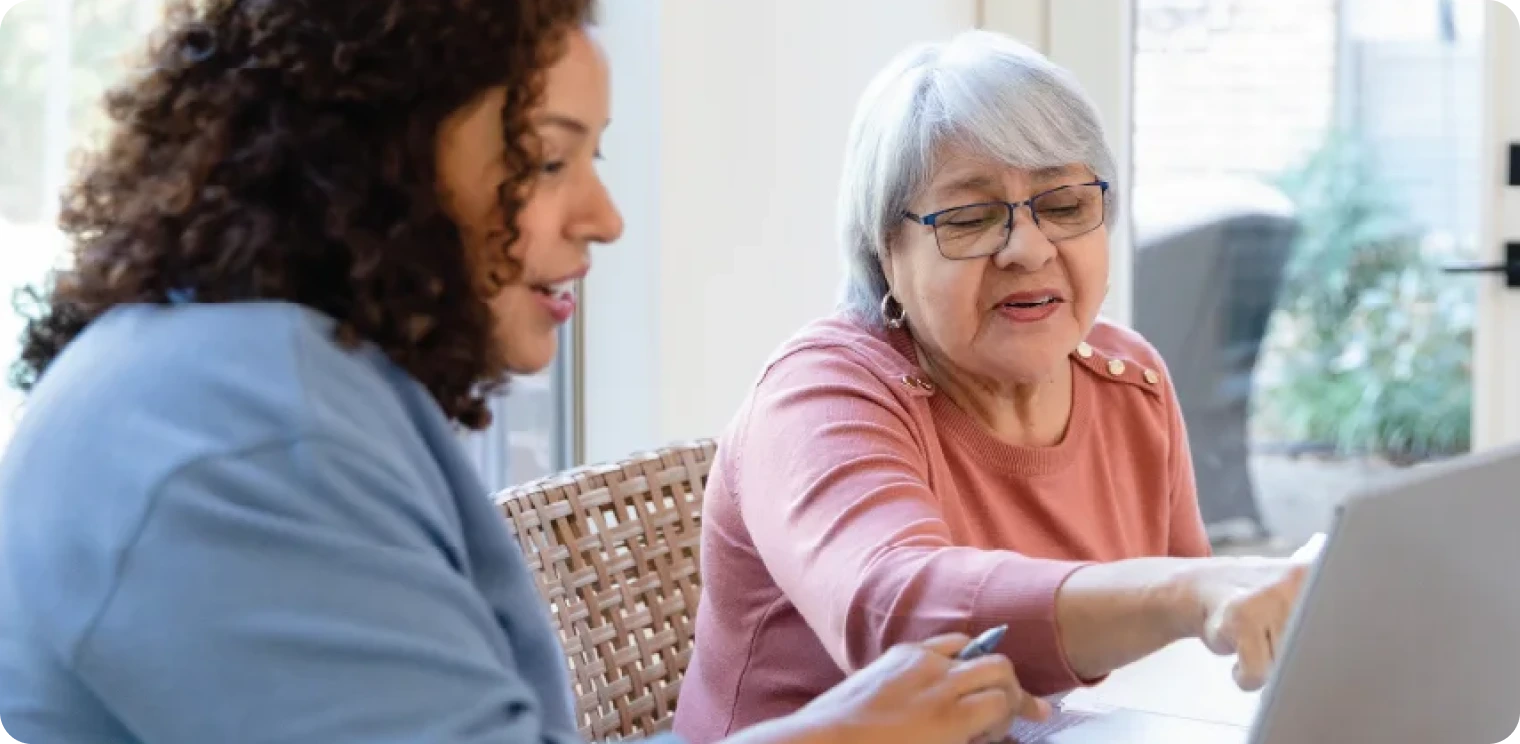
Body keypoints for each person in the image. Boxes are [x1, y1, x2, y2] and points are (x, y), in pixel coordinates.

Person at [0, 4, 1047, 743]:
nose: (603, 216)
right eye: (548, 160)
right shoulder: (243, 436)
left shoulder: (272, 379)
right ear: (374, 154)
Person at [672, 30, 1310, 744]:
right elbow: (896, 614)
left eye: (1065, 206)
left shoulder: (1129, 381)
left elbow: (1189, 657)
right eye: (971, 220)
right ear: (887, 251)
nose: (1029, 249)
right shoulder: (819, 394)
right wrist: (1182, 595)